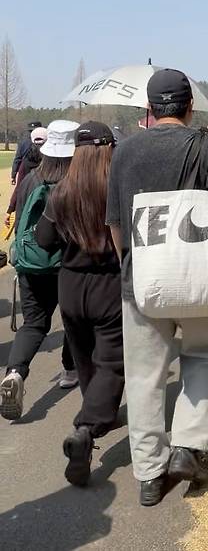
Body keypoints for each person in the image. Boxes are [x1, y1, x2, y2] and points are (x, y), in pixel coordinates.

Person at [106, 69, 208, 507]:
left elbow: (115, 225)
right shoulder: (206, 146)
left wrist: (129, 264)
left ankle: (149, 474)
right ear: (188, 106)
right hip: (198, 278)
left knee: (145, 376)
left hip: (142, 280)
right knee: (203, 355)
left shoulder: (124, 152)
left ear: (149, 108)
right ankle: (186, 446)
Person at [35, 121, 124, 487]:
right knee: (112, 363)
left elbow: (43, 240)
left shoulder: (62, 192)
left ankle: (93, 416)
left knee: (85, 359)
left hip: (70, 286)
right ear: (109, 150)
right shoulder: (119, 188)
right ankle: (87, 428)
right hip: (109, 285)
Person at [0, 120, 79, 422]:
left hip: (31, 262)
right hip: (66, 263)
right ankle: (70, 370)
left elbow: (21, 220)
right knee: (72, 319)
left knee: (34, 323)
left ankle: (16, 372)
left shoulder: (31, 178)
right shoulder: (74, 182)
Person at [5, 127, 47, 224]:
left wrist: (10, 209)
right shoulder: (53, 161)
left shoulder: (26, 162)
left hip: (26, 207)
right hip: (46, 209)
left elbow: (19, 187)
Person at [11, 120, 43, 184]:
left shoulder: (23, 142)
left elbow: (17, 159)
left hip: (25, 171)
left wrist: (13, 175)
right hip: (41, 171)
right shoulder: (46, 142)